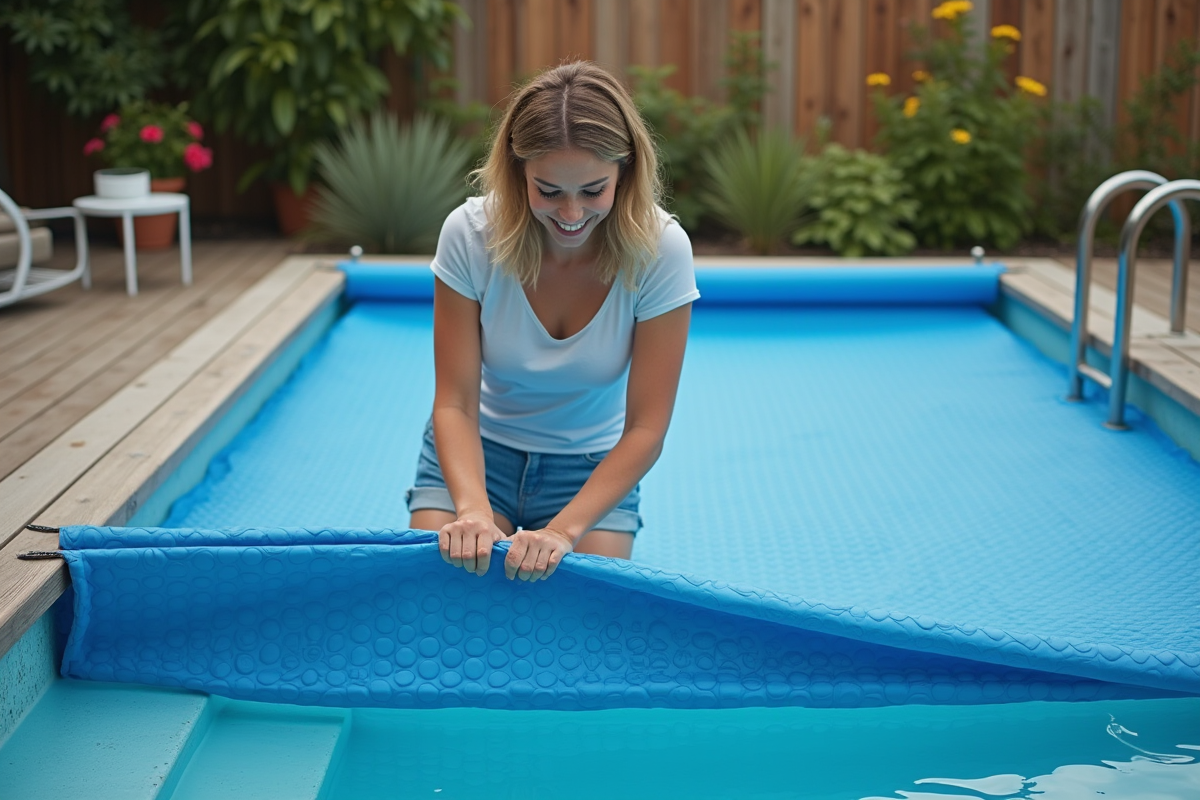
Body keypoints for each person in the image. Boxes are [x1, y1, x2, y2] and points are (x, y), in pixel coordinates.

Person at [406, 61, 697, 583]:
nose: (570, 213)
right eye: (548, 191)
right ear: (518, 172)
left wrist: (563, 532)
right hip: (478, 457)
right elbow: (453, 402)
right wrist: (471, 509)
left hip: (589, 471)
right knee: (449, 588)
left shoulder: (661, 250)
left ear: (625, 172)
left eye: (592, 190)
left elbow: (647, 429)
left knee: (582, 611)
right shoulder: (470, 235)